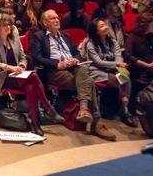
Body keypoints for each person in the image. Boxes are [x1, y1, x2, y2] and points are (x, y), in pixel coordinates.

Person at [31, 9, 117, 141]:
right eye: (53, 18)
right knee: (89, 82)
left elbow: (76, 53)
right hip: (54, 71)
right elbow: (36, 57)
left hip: (73, 68)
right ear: (45, 22)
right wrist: (57, 64)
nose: (57, 20)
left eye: (57, 17)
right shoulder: (39, 36)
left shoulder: (65, 36)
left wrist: (76, 59)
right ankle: (97, 122)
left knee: (82, 70)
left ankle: (84, 110)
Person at [0, 13, 64, 135]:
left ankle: (35, 122)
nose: (8, 27)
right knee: (33, 76)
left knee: (31, 87)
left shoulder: (14, 40)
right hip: (4, 77)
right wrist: (11, 68)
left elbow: (23, 57)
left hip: (19, 75)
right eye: (5, 25)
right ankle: (48, 108)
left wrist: (22, 65)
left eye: (9, 24)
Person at [83, 18, 137, 127]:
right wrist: (117, 65)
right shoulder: (90, 43)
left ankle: (124, 108)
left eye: (105, 25)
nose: (106, 27)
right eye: (102, 26)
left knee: (126, 76)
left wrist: (121, 68)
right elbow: (98, 62)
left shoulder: (112, 41)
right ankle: (124, 109)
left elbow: (118, 57)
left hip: (112, 70)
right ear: (96, 31)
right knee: (119, 80)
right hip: (96, 71)